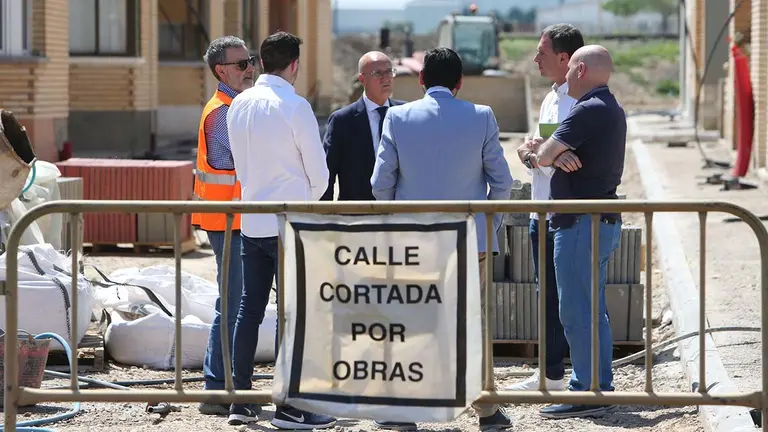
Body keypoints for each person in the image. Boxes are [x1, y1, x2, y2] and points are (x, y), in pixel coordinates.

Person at [370, 47, 515, 432]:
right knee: (470, 322)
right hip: (469, 240)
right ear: (460, 81)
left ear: (420, 79)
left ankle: (401, 409)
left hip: (413, 242)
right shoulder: (481, 116)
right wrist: (489, 224)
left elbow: (379, 183)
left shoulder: (397, 117)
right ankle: (485, 410)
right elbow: (501, 183)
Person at [226, 31, 336, 429]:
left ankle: (240, 400)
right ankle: (292, 406)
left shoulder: (237, 104)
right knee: (295, 316)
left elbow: (238, 165)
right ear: (293, 65)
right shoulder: (295, 105)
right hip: (290, 222)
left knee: (249, 310)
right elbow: (320, 174)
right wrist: (305, 198)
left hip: (252, 219)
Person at [529, 44, 625, 419]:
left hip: (580, 223)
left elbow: (545, 154)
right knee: (592, 309)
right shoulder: (609, 107)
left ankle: (585, 390)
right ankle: (598, 385)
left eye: (571, 70)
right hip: (596, 221)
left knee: (576, 310)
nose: (566, 75)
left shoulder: (588, 109)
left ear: (581, 69)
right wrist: (548, 151)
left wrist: (547, 150)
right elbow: (548, 153)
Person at [507, 23, 584, 393]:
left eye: (542, 52)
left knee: (573, 300)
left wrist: (537, 153)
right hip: (542, 210)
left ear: (564, 58)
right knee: (546, 296)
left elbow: (559, 156)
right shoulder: (551, 98)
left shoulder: (581, 103)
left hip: (568, 215)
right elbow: (534, 152)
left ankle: (585, 378)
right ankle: (550, 373)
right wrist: (534, 154)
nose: (535, 58)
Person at [191, 35, 255, 416]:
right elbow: (231, 165)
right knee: (230, 304)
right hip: (225, 221)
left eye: (250, 62)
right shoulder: (222, 113)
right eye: (241, 63)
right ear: (221, 70)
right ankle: (215, 388)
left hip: (233, 219)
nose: (249, 69)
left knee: (233, 302)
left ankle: (221, 385)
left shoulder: (234, 107)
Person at [321, 51, 405, 201]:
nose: (385, 78)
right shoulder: (342, 120)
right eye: (377, 73)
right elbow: (328, 172)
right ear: (362, 79)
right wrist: (326, 217)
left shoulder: (405, 114)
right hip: (357, 214)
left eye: (389, 72)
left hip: (399, 213)